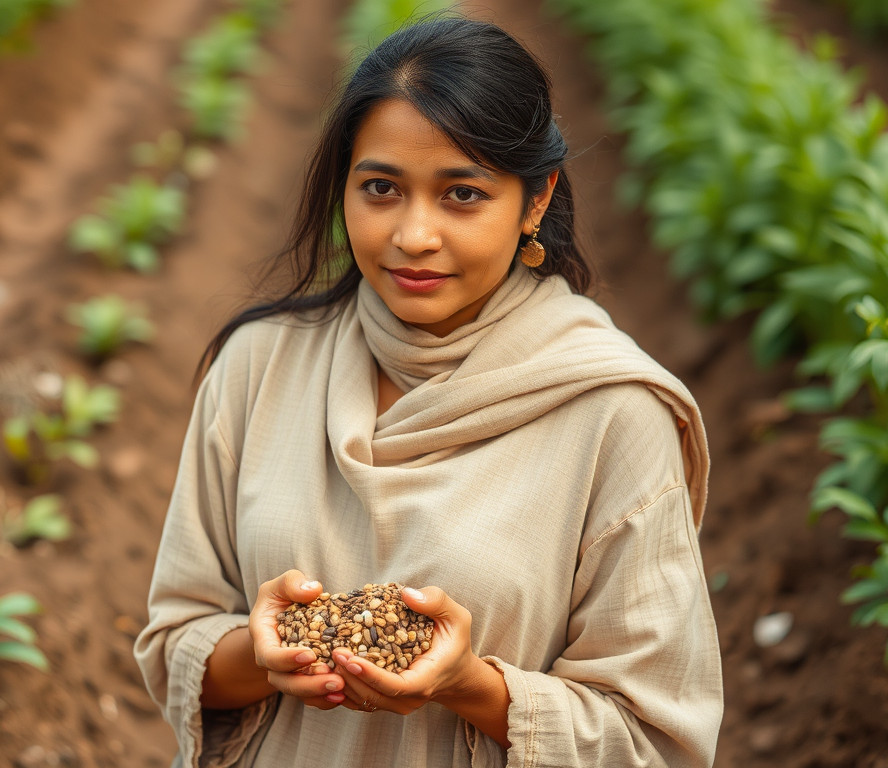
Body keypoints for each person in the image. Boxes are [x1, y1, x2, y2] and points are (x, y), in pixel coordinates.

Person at [134, 14, 723, 768]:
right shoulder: (259, 366)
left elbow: (656, 734)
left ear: (535, 201)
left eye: (462, 195)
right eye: (381, 188)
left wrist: (470, 685)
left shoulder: (612, 414)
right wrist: (262, 653)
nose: (413, 235)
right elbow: (174, 638)